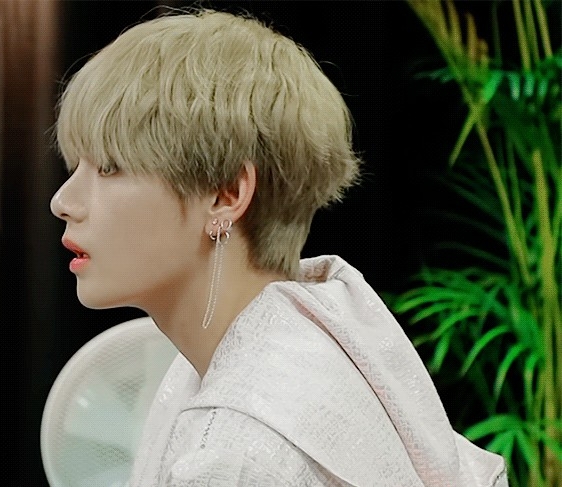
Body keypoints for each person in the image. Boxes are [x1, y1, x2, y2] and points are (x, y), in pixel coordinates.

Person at [49, 8, 508, 487]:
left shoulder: (235, 456)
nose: (62, 202)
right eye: (76, 167)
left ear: (226, 194)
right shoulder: (327, 336)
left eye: (109, 168)